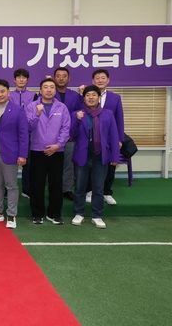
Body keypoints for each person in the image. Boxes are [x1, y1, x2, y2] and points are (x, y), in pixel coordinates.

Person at [70, 85, 120, 229]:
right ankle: (79, 213)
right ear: (84, 98)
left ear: (99, 97)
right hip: (82, 156)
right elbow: (71, 134)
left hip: (101, 157)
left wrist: (115, 156)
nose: (91, 97)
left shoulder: (108, 114)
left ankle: (97, 215)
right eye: (87, 95)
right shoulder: (77, 114)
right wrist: (77, 120)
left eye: (93, 95)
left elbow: (114, 136)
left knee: (98, 188)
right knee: (79, 187)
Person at [0, 79, 29, 229]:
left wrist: (23, 154)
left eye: (2, 91)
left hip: (10, 154)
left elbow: (23, 134)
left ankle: (11, 214)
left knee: (11, 186)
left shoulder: (18, 110)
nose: (0, 94)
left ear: (8, 92)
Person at [25, 78, 70, 225]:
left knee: (56, 183)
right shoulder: (32, 106)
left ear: (55, 91)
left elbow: (66, 128)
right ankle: (37, 214)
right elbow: (28, 127)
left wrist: (58, 145)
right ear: (40, 90)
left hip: (57, 151)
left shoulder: (62, 107)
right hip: (37, 150)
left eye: (52, 87)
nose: (49, 90)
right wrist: (37, 114)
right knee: (37, 183)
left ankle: (54, 214)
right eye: (45, 87)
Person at [86, 69, 124, 205]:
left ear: (108, 80)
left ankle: (107, 192)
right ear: (93, 81)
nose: (100, 80)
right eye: (97, 78)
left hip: (109, 139)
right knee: (90, 165)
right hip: (91, 138)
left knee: (110, 166)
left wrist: (119, 139)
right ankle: (89, 191)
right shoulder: (87, 95)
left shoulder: (115, 98)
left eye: (103, 78)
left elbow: (119, 119)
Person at [52, 67, 84, 202]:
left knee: (68, 165)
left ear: (69, 79)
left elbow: (80, 115)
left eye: (64, 76)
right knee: (52, 166)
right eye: (58, 76)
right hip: (51, 138)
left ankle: (66, 189)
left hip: (70, 137)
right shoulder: (49, 93)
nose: (61, 78)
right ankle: (54, 189)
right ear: (54, 78)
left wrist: (71, 133)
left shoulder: (75, 96)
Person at [8, 68, 37, 198]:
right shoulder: (9, 95)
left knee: (28, 163)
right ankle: (8, 189)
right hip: (11, 134)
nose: (21, 79)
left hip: (28, 134)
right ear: (14, 80)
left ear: (27, 80)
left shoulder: (33, 95)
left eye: (23, 77)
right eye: (18, 77)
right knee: (9, 163)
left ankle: (27, 189)